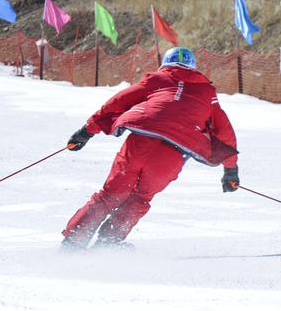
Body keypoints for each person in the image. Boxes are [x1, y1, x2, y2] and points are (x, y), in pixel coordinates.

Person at [62, 46, 240, 249]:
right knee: (139, 198)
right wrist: (230, 171)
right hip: (173, 154)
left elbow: (117, 102)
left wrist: (86, 131)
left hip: (140, 143)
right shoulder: (207, 91)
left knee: (109, 195)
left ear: (165, 63)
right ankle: (107, 245)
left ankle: (73, 242)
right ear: (194, 68)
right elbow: (225, 132)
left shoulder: (156, 79)